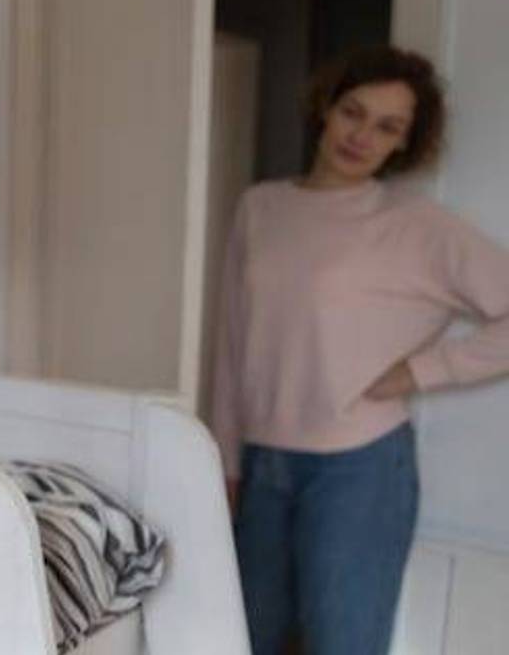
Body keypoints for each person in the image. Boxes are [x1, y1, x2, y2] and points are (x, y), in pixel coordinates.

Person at [212, 44, 509, 654]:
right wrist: (225, 459)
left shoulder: (416, 225)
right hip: (262, 462)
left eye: (387, 127)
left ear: (404, 143)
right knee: (242, 637)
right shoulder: (260, 206)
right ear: (326, 107)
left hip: (360, 468)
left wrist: (424, 370)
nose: (361, 135)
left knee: (341, 644)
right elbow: (233, 339)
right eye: (354, 111)